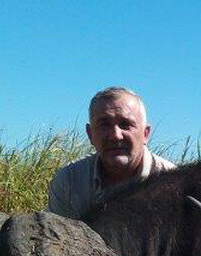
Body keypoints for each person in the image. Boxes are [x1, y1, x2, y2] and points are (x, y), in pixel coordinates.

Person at [48, 87, 176, 220]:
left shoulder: (173, 184)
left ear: (145, 134)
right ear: (90, 134)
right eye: (104, 125)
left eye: (126, 124)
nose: (115, 135)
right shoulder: (68, 181)